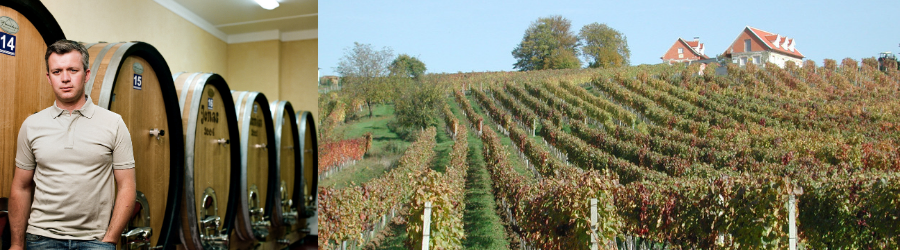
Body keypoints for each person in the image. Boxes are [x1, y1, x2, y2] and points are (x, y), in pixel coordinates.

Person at [8, 40, 136, 250]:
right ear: (49, 78)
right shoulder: (32, 125)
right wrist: (16, 244)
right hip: (41, 238)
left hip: (95, 241)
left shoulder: (114, 123)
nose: (65, 78)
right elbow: (21, 187)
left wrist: (110, 239)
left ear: (86, 75)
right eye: (57, 72)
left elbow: (127, 186)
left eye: (72, 70)